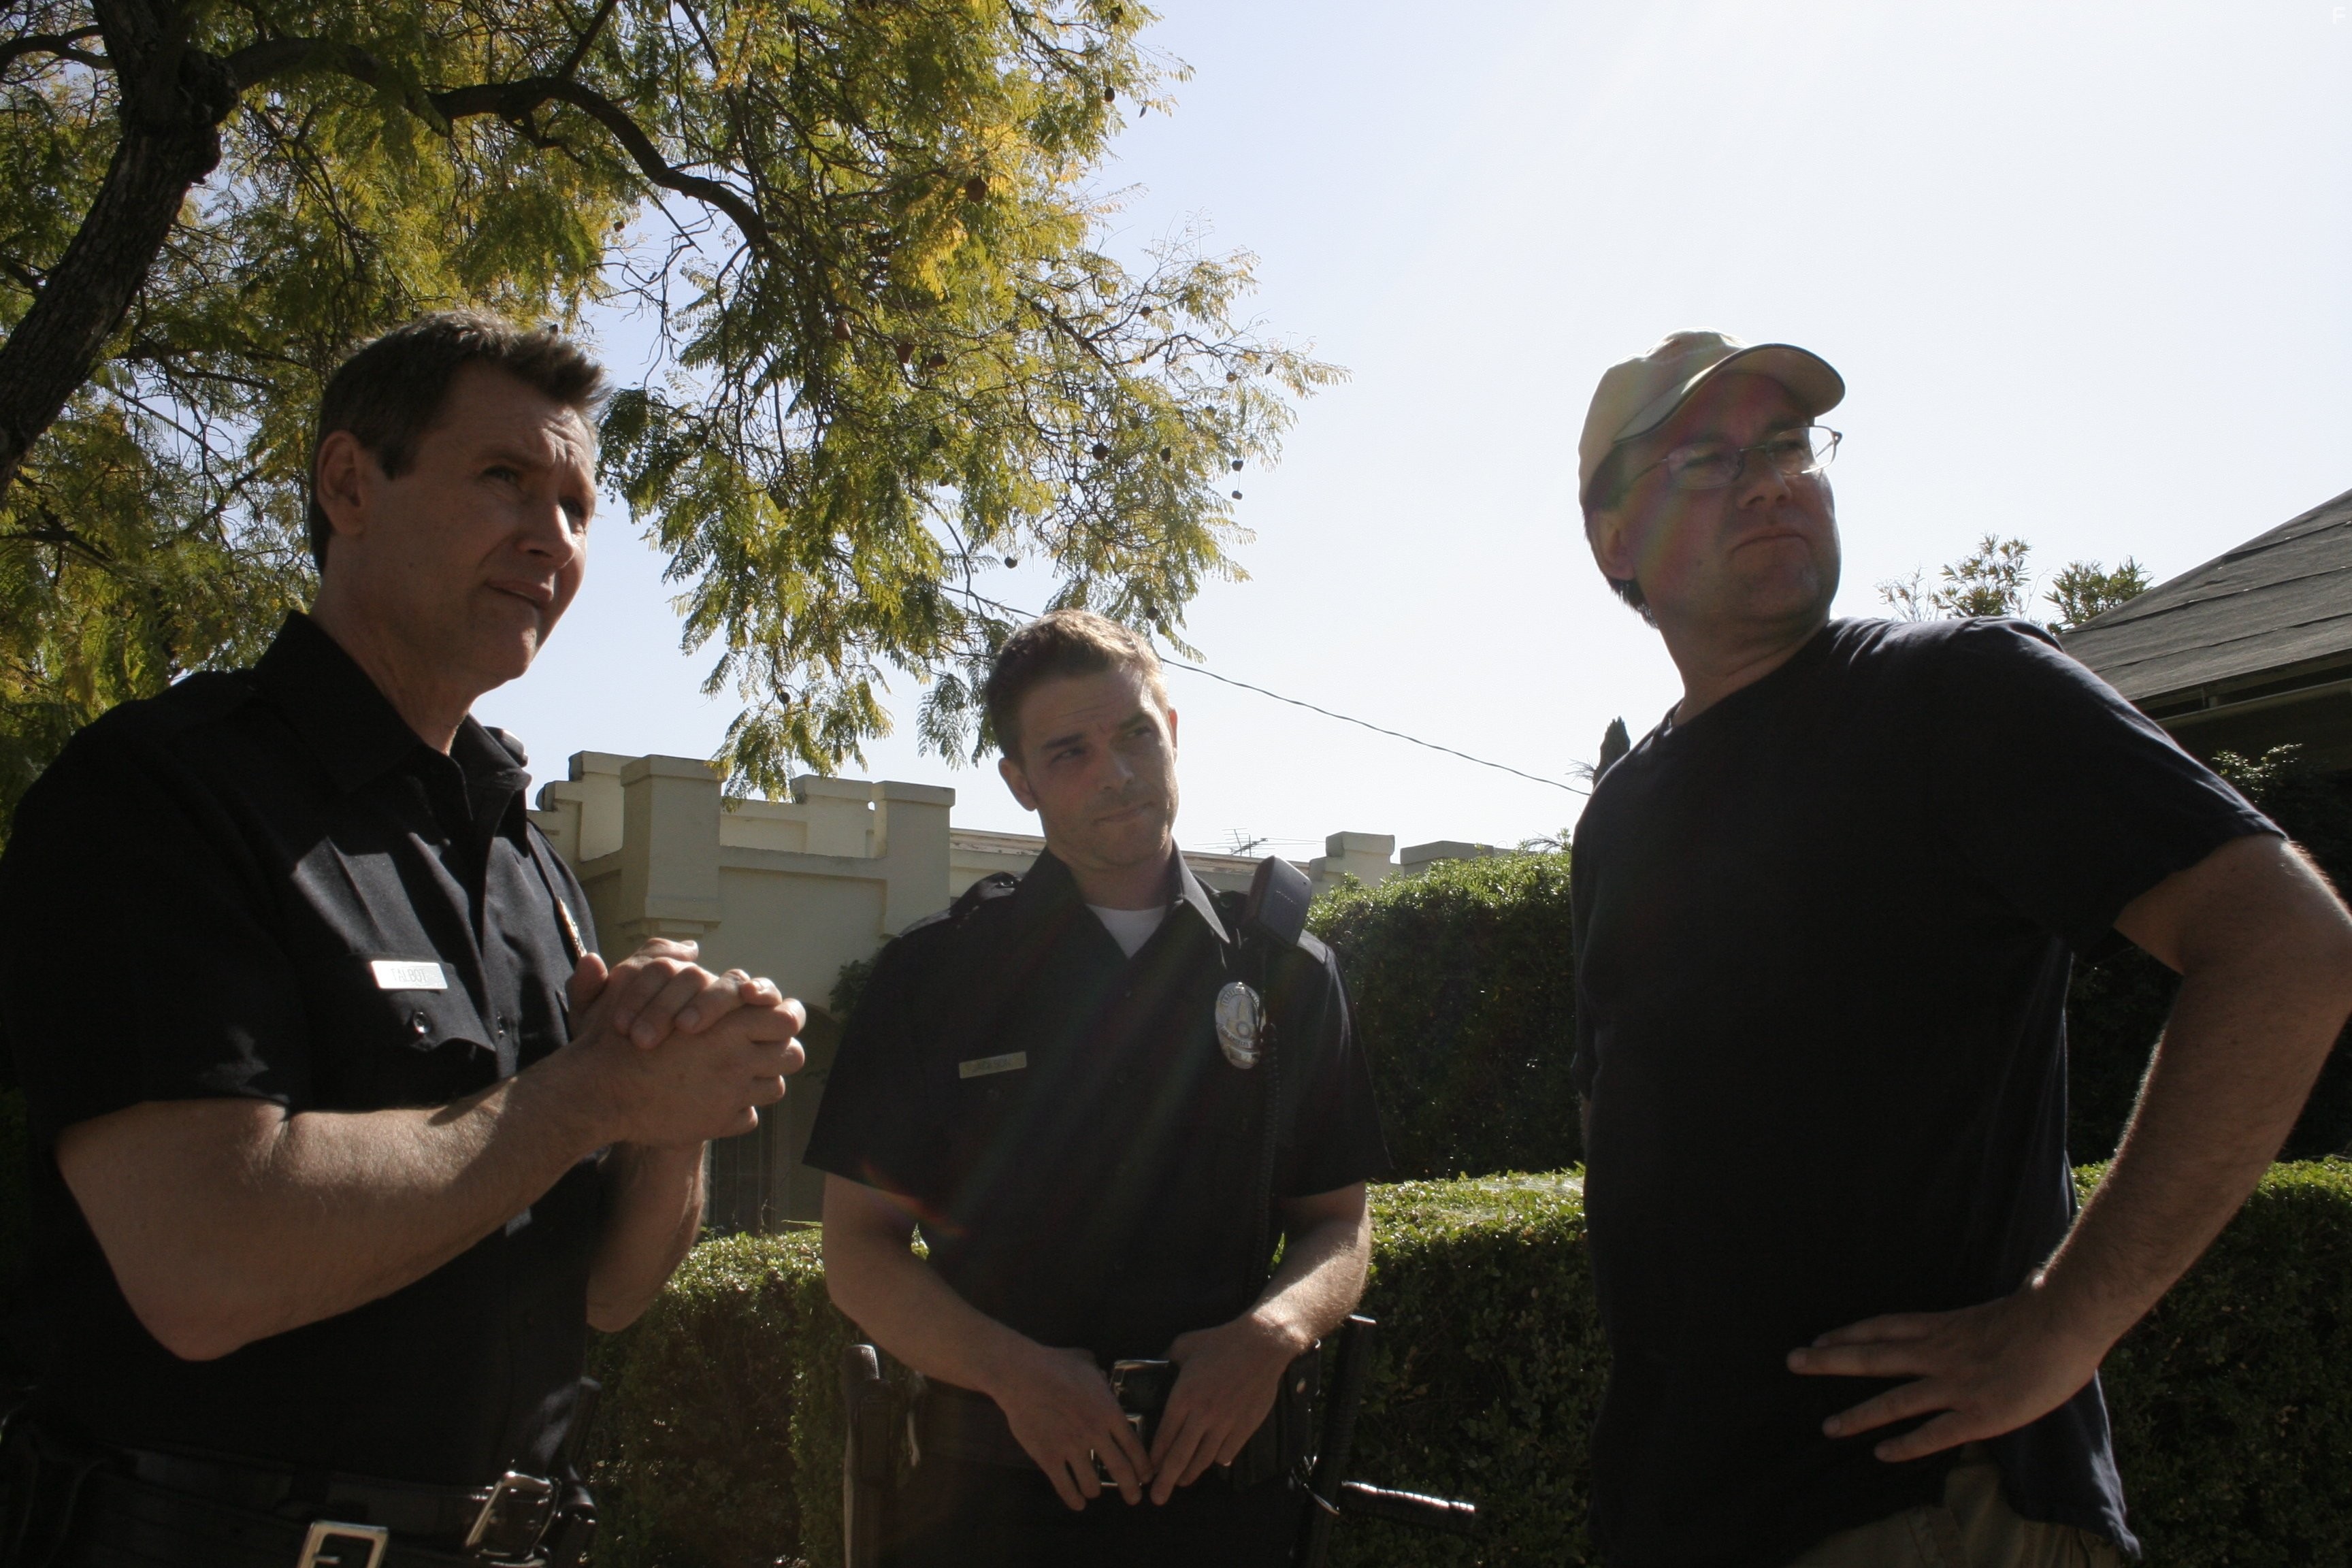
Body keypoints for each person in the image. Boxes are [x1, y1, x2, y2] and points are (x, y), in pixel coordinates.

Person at [0, 312, 808, 1567]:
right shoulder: (162, 798)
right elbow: (204, 1262)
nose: (553, 538)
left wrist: (668, 1105)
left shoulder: (527, 858)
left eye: (580, 507)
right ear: (348, 485)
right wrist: (588, 1093)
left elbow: (603, 1294)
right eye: (505, 479)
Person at [1567, 330, 2352, 1568]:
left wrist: (2066, 1321)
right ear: (1615, 543)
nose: (1771, 480)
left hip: (1925, 1510)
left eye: (1787, 447)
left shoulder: (1956, 695)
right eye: (1705, 462)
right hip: (1683, 1516)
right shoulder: (1620, 816)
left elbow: (2291, 945)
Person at [809, 610, 1390, 1567]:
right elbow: (858, 1252)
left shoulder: (1288, 970)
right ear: (1020, 782)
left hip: (1233, 1517)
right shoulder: (934, 980)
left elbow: (1339, 1221)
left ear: (1174, 731)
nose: (1116, 772)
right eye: (1069, 751)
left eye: (1134, 735)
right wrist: (1014, 1374)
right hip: (990, 1518)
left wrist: (1275, 1330)